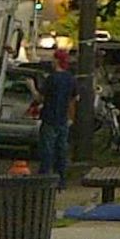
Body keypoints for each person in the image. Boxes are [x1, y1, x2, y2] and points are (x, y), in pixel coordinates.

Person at [36, 49, 80, 188]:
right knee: (61, 150)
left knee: (47, 149)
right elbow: (73, 100)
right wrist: (71, 117)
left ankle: (44, 179)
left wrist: (31, 87)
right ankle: (61, 180)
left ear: (57, 61)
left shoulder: (51, 78)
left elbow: (40, 98)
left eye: (53, 59)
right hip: (63, 119)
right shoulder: (71, 79)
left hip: (49, 117)